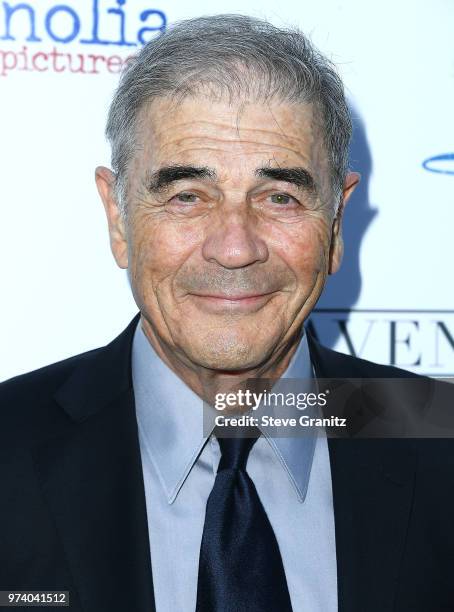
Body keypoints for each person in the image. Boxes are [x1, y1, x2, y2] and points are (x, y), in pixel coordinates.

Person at [1, 13, 454, 612]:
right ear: (118, 218)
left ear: (337, 223)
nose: (236, 247)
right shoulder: (9, 444)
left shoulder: (438, 432)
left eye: (281, 197)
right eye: (187, 195)